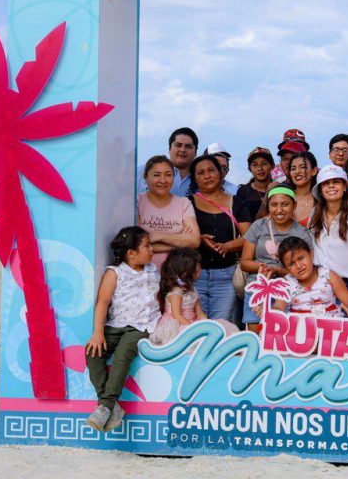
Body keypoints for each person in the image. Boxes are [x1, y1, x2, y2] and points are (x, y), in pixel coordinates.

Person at [84, 226, 160, 432]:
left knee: (122, 355)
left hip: (142, 325)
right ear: (131, 253)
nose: (152, 249)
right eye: (147, 246)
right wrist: (98, 333)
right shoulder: (114, 273)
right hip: (116, 324)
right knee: (92, 352)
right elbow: (102, 302)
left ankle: (105, 406)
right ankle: (111, 405)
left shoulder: (152, 270)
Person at [239, 186, 312, 331]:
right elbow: (244, 263)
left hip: (288, 292)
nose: (279, 210)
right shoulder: (258, 226)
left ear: (294, 206)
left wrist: (278, 270)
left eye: (285, 204)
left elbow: (307, 269)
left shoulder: (302, 233)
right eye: (274, 205)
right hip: (258, 289)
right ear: (268, 207)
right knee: (256, 333)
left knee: (282, 334)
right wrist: (264, 267)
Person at [189, 154, 253, 322]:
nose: (207, 176)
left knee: (221, 326)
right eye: (200, 173)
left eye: (211, 170)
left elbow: (250, 237)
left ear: (220, 173)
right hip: (194, 275)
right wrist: (198, 238)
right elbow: (180, 235)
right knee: (197, 326)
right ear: (194, 178)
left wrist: (227, 246)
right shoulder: (186, 203)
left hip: (226, 276)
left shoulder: (236, 202)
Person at [308, 164, 348, 298]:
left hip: (347, 286)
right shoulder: (314, 214)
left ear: (344, 187)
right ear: (321, 190)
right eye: (326, 183)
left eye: (336, 182)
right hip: (317, 286)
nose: (331, 186)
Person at [150, 247, 238, 346]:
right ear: (185, 270)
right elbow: (177, 315)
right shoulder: (176, 292)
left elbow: (199, 312)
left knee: (218, 329)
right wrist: (192, 329)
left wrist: (208, 324)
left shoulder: (192, 290)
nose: (199, 266)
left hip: (191, 322)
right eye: (196, 263)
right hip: (179, 325)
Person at [266, 236, 348, 318]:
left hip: (331, 327)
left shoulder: (328, 276)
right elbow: (278, 307)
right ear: (286, 268)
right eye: (291, 264)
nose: (298, 266)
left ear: (311, 254)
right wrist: (266, 311)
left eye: (301, 258)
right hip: (300, 329)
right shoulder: (286, 283)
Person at [137, 156, 200, 269]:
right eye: (156, 175)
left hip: (178, 273)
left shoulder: (183, 203)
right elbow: (135, 245)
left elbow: (195, 240)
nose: (163, 180)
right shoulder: (137, 203)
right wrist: (179, 242)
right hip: (143, 274)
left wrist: (156, 236)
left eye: (168, 175)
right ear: (145, 177)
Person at [137, 128, 199, 196]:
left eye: (188, 147)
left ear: (195, 152)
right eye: (178, 145)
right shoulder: (141, 171)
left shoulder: (202, 179)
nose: (183, 150)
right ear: (169, 149)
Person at [236, 147, 274, 220]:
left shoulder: (279, 189)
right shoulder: (243, 191)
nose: (260, 168)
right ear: (249, 168)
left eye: (264, 164)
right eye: (255, 165)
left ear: (272, 165)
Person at [287, 151, 318, 227]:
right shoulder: (283, 196)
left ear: (314, 171)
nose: (297, 171)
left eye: (302, 167)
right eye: (293, 168)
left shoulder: (321, 200)